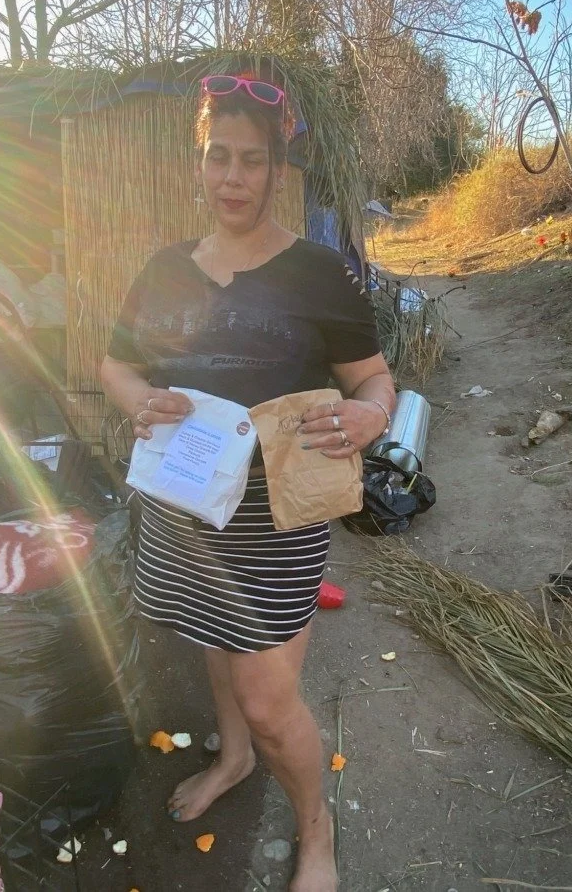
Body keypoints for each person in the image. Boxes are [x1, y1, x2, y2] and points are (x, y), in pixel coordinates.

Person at [101, 73, 395, 892]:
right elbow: (115, 364)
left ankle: (316, 832)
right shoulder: (164, 269)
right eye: (217, 158)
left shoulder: (316, 273)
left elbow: (375, 381)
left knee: (270, 701)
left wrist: (370, 417)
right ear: (200, 163)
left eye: (251, 162)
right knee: (210, 642)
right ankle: (231, 761)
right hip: (184, 507)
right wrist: (138, 400)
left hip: (275, 519)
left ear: (277, 171)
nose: (232, 178)